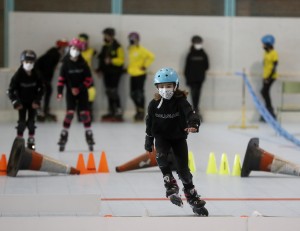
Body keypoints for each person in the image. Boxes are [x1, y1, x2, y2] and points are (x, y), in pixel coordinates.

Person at [144, 68, 208, 216]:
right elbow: (149, 123)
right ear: (157, 87)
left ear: (175, 86)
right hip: (162, 137)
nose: (165, 90)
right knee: (161, 156)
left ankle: (191, 195)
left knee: (184, 172)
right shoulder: (154, 105)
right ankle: (169, 182)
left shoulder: (181, 102)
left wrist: (193, 124)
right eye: (161, 86)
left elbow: (191, 114)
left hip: (178, 138)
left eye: (168, 86)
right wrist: (149, 140)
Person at [57, 38, 95, 152]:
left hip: (82, 92)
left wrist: (79, 88)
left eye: (77, 49)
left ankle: (89, 134)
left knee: (84, 114)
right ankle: (64, 135)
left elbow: (89, 80)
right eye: (73, 48)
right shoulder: (65, 64)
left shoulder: (83, 63)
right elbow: (61, 80)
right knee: (69, 114)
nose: (75, 51)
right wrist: (59, 92)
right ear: (69, 48)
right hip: (70, 93)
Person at [7, 50, 44, 150]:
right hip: (21, 103)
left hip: (32, 102)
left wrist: (37, 100)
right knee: (22, 123)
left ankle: (31, 141)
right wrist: (15, 102)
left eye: (31, 62)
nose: (29, 64)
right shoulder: (18, 75)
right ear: (22, 62)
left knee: (31, 123)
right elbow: (10, 91)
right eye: (26, 62)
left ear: (34, 63)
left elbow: (42, 88)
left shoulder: (37, 74)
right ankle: (19, 141)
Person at [35, 39, 69, 122]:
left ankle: (44, 111)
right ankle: (40, 111)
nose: (66, 49)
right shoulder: (54, 54)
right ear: (62, 47)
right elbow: (47, 68)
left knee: (47, 91)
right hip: (39, 74)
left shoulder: (55, 53)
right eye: (65, 47)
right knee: (44, 91)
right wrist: (46, 80)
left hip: (41, 74)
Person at [96, 27, 125, 122]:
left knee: (113, 91)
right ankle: (111, 111)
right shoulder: (105, 46)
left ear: (111, 36)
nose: (105, 37)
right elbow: (101, 59)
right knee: (108, 91)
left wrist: (112, 60)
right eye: (104, 35)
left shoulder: (117, 46)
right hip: (106, 73)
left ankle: (118, 112)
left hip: (115, 73)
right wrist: (99, 69)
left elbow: (121, 60)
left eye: (106, 35)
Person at [127, 32, 155, 122]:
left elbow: (152, 57)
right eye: (130, 38)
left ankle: (141, 111)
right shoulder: (130, 49)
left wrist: (145, 65)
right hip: (132, 74)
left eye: (133, 38)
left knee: (139, 93)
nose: (132, 40)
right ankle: (138, 109)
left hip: (140, 74)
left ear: (137, 39)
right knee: (132, 94)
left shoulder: (141, 50)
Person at [184, 35, 209, 117]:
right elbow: (187, 68)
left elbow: (207, 66)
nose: (198, 44)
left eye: (199, 42)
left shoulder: (203, 54)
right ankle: (195, 109)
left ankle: (196, 108)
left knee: (197, 94)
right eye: (197, 42)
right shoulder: (190, 54)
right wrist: (187, 78)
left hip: (200, 79)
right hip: (191, 79)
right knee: (194, 93)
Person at [78, 33, 97, 121]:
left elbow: (97, 53)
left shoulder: (91, 51)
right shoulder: (76, 52)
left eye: (84, 43)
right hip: (78, 76)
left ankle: (89, 111)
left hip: (88, 76)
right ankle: (80, 113)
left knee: (91, 93)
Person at [260, 34, 279, 121]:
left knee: (264, 92)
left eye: (264, 44)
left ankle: (270, 112)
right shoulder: (266, 53)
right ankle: (268, 112)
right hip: (265, 76)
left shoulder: (274, 53)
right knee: (264, 93)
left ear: (268, 44)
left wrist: (268, 78)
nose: (262, 46)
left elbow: (275, 67)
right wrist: (265, 77)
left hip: (271, 77)